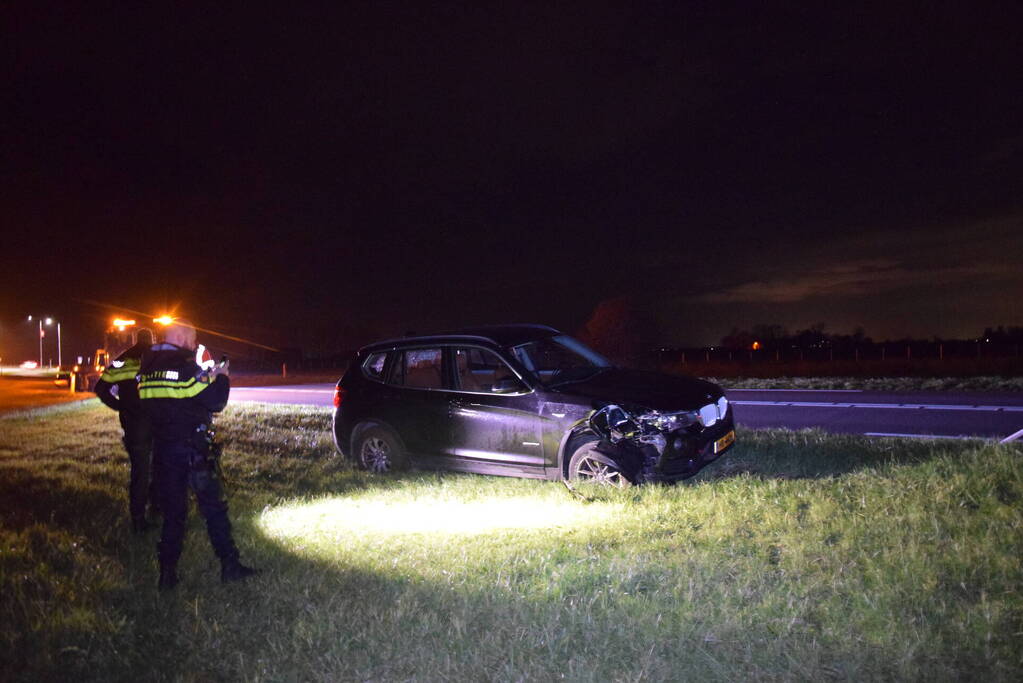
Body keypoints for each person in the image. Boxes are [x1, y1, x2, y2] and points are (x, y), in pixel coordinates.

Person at [138, 320, 256, 589]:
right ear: (180, 337)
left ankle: (167, 576)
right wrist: (222, 376)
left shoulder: (148, 369)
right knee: (213, 509)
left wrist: (204, 377)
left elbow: (177, 396)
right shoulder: (184, 366)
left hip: (164, 451)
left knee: (173, 514)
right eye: (192, 341)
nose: (193, 346)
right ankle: (230, 565)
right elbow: (215, 402)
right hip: (192, 450)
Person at [95, 327, 158, 533]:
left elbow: (100, 388)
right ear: (152, 339)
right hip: (159, 424)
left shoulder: (122, 360)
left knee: (139, 472)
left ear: (135, 339)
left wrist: (119, 406)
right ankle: (157, 508)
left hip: (133, 425)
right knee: (159, 467)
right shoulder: (157, 357)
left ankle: (138, 519)